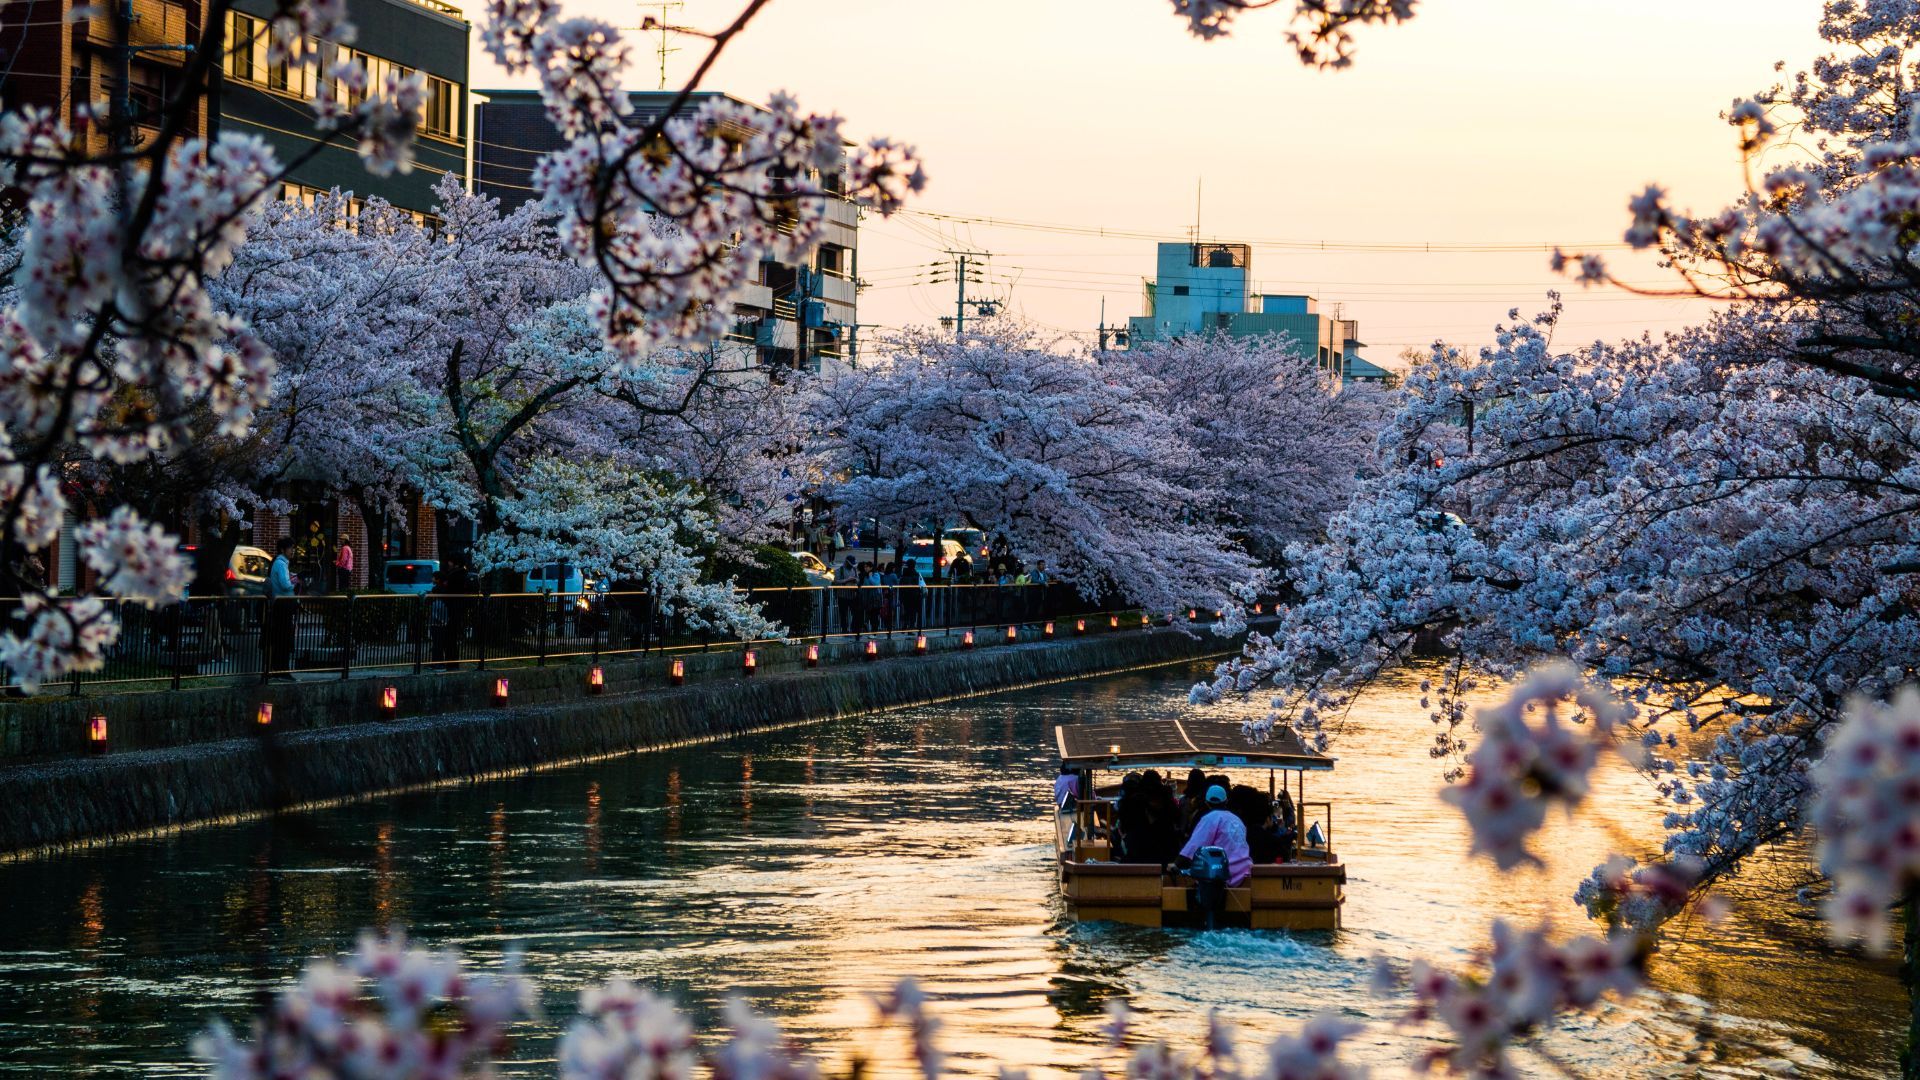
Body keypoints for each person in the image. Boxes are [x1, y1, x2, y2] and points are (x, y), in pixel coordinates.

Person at [1178, 784, 1253, 927]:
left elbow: (1194, 846)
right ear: (1226, 801)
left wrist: (1176, 864)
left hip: (1224, 877)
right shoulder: (1237, 820)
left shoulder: (1210, 818)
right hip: (1244, 873)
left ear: (1206, 803)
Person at [265, 536, 297, 680]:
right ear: (283, 549)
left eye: (293, 548)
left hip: (281, 604)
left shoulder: (281, 563)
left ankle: (280, 669)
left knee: (282, 638)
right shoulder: (280, 563)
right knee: (283, 638)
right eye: (290, 548)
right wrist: (297, 581)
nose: (293, 550)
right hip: (283, 605)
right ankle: (281, 670)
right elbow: (285, 585)